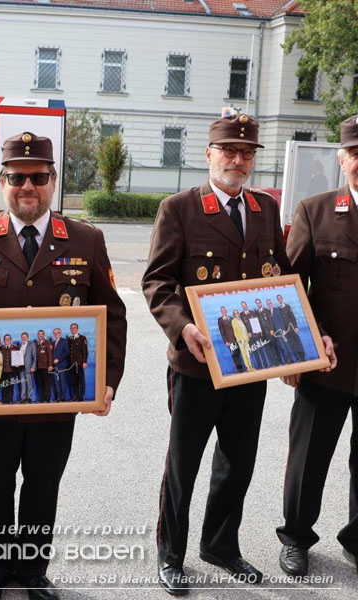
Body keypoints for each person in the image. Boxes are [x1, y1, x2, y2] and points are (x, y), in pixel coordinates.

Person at [0, 131, 126, 600]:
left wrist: (107, 380)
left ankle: (34, 569)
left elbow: (113, 314)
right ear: (2, 182)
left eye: (38, 177)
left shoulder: (85, 238)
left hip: (56, 392)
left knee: (43, 484)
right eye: (17, 177)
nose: (28, 187)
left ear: (53, 180)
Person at [142, 113, 296, 595]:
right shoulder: (180, 208)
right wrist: (182, 326)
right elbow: (158, 281)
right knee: (183, 462)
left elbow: (283, 279)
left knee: (238, 459)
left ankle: (221, 546)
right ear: (208, 154)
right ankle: (171, 555)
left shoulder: (266, 209)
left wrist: (303, 343)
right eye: (228, 150)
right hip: (196, 362)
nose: (237, 159)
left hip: (253, 360)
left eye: (246, 153)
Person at [275, 114, 356, 579]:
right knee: (309, 457)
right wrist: (295, 353)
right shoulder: (316, 211)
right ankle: (297, 537)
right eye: (357, 154)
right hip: (326, 361)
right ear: (343, 159)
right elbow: (290, 288)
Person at [217, 306, 245, 373]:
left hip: (236, 339)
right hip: (230, 341)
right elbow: (222, 331)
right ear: (221, 312)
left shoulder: (231, 318)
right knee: (234, 355)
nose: (224, 311)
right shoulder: (220, 320)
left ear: (226, 310)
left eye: (225, 310)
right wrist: (225, 341)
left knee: (239, 354)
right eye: (222, 310)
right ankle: (239, 369)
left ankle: (242, 368)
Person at [267, 298, 292, 365]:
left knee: (286, 346)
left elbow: (281, 319)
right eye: (268, 303)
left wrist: (283, 329)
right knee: (281, 347)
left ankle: (290, 360)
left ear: (272, 303)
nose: (269, 304)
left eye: (270, 303)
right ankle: (286, 360)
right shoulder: (268, 312)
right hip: (275, 333)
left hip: (281, 331)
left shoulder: (277, 310)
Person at [67, 323, 88, 401]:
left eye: (74, 328)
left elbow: (85, 351)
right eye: (71, 328)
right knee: (74, 381)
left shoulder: (82, 338)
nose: (73, 329)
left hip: (79, 363)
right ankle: (75, 396)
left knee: (81, 380)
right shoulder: (69, 339)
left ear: (77, 329)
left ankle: (81, 396)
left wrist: (84, 361)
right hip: (72, 364)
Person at [51, 327, 69, 402]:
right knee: (56, 383)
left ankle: (63, 397)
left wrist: (59, 359)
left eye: (57, 333)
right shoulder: (53, 343)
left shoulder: (64, 341)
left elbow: (67, 352)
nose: (56, 334)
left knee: (63, 382)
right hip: (55, 367)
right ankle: (59, 397)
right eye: (54, 333)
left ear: (60, 333)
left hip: (62, 365)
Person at [34, 329, 53, 403]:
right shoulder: (36, 344)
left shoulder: (47, 343)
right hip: (38, 367)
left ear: (43, 335)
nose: (40, 335)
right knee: (40, 384)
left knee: (46, 383)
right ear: (37, 335)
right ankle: (42, 398)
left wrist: (50, 365)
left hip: (45, 366)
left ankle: (47, 398)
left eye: (41, 334)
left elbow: (50, 355)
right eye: (39, 334)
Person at [18, 332, 37, 404]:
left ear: (27, 337)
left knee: (29, 383)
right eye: (22, 337)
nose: (23, 338)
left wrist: (33, 366)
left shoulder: (32, 344)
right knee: (23, 383)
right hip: (21, 367)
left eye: (25, 337)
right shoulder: (20, 345)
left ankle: (29, 397)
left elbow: (35, 356)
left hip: (29, 367)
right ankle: (23, 398)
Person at [0, 334, 17, 404]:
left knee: (10, 386)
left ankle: (10, 400)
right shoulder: (0, 348)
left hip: (11, 370)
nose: (7, 340)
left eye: (8, 339)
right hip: (2, 371)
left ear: (11, 340)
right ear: (4, 340)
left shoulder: (15, 348)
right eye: (6, 339)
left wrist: (18, 364)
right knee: (3, 386)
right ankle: (4, 399)